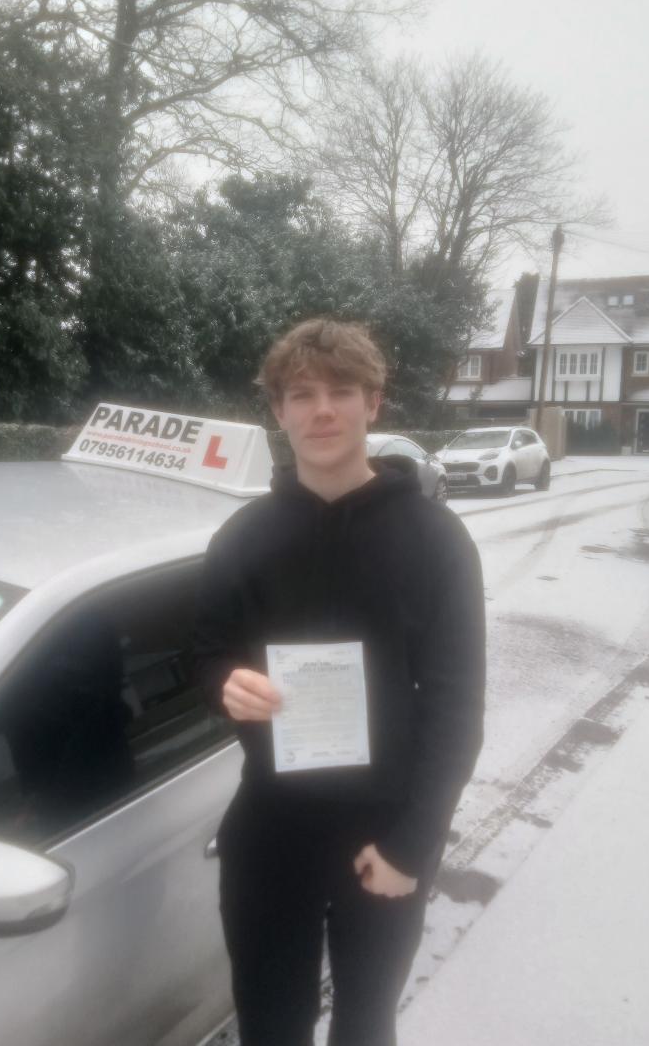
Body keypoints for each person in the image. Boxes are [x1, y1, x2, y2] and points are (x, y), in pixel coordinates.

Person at [193, 317, 485, 1046]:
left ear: (373, 404)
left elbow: (457, 707)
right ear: (278, 412)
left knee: (364, 1026)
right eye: (302, 394)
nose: (322, 409)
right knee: (271, 1027)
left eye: (341, 391)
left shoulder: (435, 539)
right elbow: (206, 657)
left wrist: (413, 845)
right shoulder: (243, 539)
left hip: (382, 832)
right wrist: (226, 686)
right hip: (270, 831)